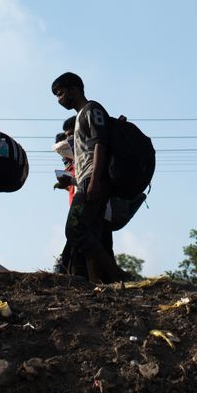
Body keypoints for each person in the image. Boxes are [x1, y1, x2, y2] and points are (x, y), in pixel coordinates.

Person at [51, 72, 128, 283]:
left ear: (74, 89)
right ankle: (98, 284)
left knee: (74, 230)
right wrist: (74, 181)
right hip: (85, 180)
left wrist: (94, 181)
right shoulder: (79, 118)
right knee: (91, 234)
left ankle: (116, 273)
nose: (59, 99)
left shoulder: (91, 110)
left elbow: (100, 144)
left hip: (92, 182)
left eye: (61, 93)